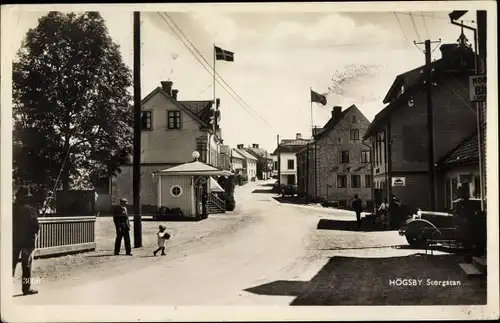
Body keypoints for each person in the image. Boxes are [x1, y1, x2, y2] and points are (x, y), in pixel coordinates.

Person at [12, 187, 40, 296]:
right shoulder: (31, 210)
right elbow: (35, 227)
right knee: (26, 266)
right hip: (27, 243)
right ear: (26, 198)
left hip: (14, 241)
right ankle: (26, 289)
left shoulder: (11, 209)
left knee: (11, 265)